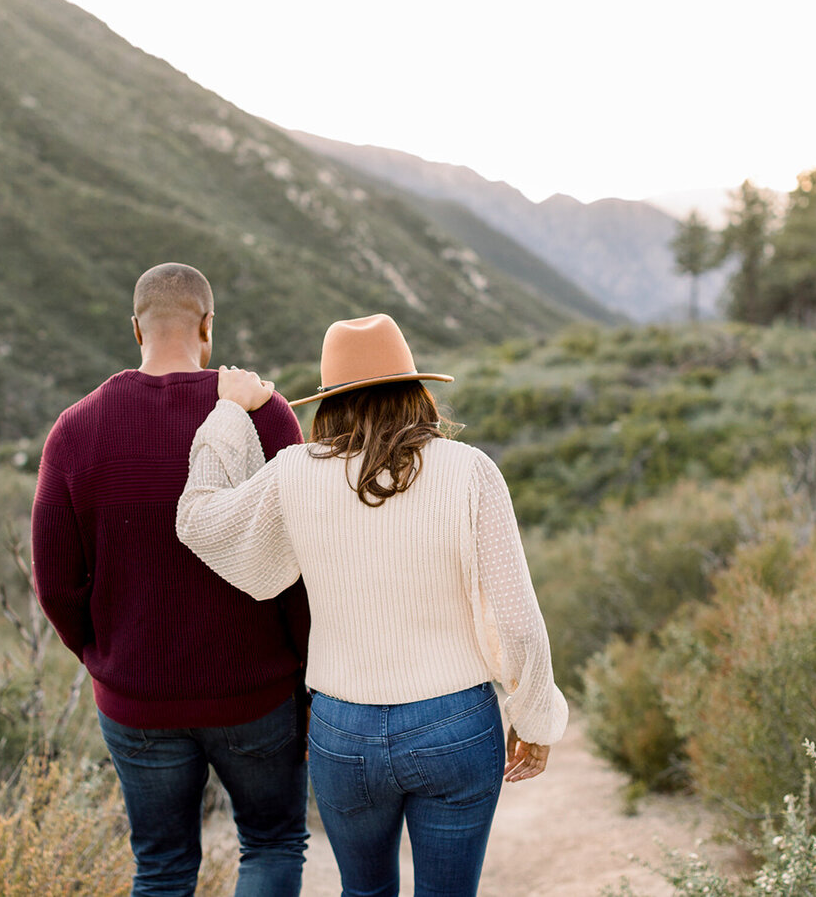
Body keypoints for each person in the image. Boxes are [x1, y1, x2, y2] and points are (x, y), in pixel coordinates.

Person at [176, 313, 568, 897]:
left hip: (344, 727)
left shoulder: (294, 476)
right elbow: (517, 620)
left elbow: (200, 519)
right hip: (456, 723)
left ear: (330, 402)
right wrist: (536, 718)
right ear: (416, 390)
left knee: (363, 893)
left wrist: (229, 414)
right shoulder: (470, 471)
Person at [30, 262, 311, 897]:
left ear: (136, 329)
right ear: (208, 326)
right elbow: (299, 570)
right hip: (256, 691)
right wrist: (305, 675)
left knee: (161, 870)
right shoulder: (265, 417)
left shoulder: (75, 430)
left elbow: (55, 585)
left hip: (137, 699)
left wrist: (106, 658)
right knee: (271, 845)